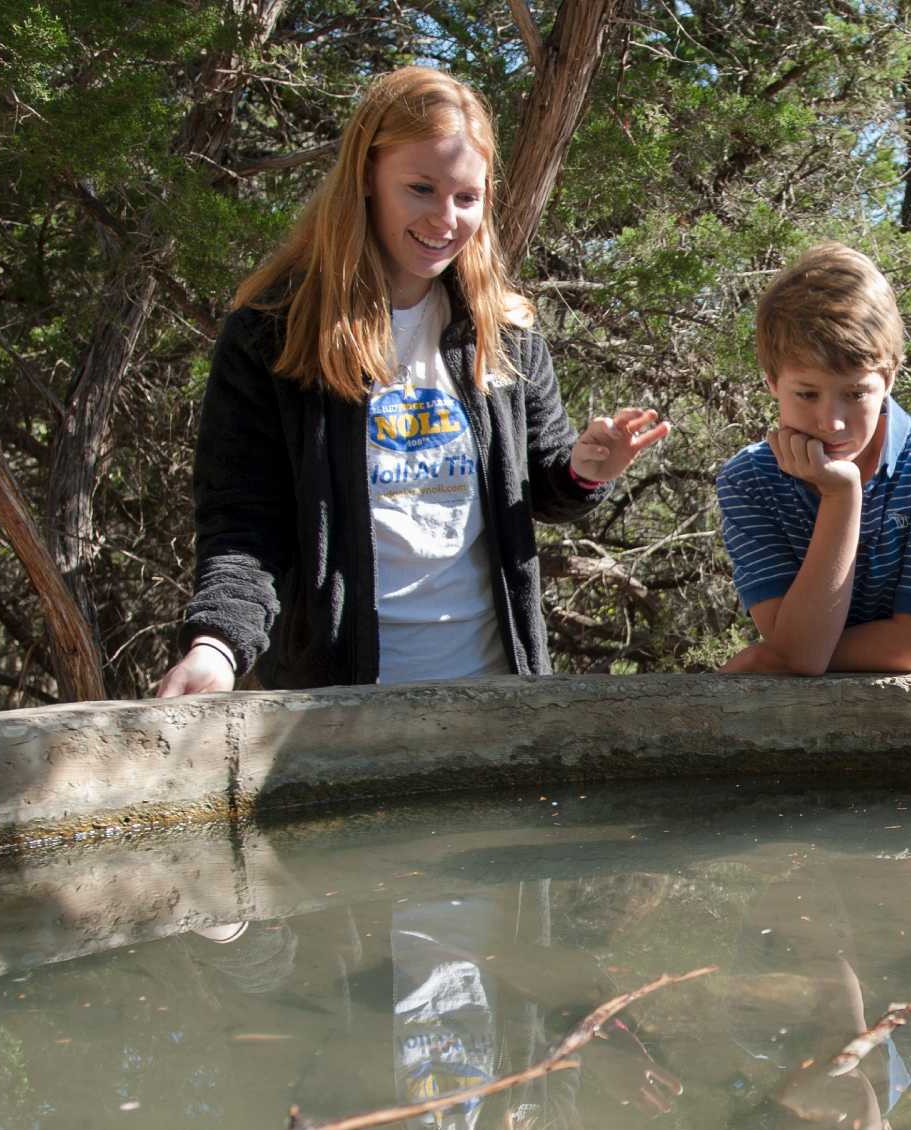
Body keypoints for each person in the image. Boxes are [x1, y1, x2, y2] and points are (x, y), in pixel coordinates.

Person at [155, 67, 669, 696]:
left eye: (466, 197)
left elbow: (538, 487)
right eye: (421, 188)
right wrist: (218, 645)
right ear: (366, 179)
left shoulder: (502, 329)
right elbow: (242, 525)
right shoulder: (271, 335)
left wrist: (588, 467)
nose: (444, 219)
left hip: (500, 694)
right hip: (336, 706)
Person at [715, 243, 911, 675]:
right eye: (806, 394)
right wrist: (840, 496)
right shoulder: (750, 479)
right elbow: (797, 654)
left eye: (856, 394)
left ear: (889, 378)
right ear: (771, 381)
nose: (832, 422)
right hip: (796, 725)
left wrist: (787, 653)